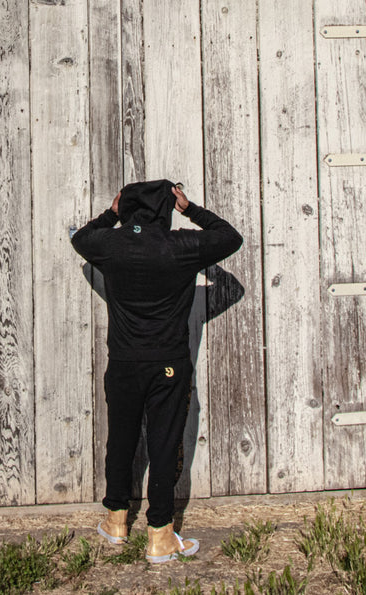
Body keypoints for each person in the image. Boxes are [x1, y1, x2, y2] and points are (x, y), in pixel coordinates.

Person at [70, 179, 243, 564]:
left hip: (123, 363)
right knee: (164, 444)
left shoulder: (110, 244)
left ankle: (116, 520)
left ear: (126, 206)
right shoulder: (181, 246)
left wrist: (112, 214)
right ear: (167, 206)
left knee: (121, 438)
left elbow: (81, 239)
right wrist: (190, 209)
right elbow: (230, 238)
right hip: (168, 363)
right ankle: (160, 536)